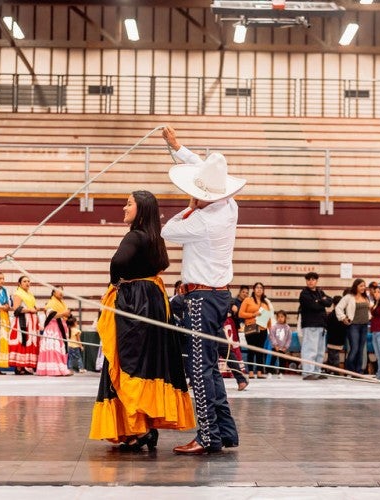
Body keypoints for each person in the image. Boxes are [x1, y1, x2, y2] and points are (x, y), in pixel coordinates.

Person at [161, 125, 245, 455]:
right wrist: (178, 147)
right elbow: (202, 168)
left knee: (199, 368)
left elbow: (168, 231)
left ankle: (208, 436)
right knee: (208, 367)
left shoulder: (203, 221)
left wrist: (191, 207)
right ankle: (224, 431)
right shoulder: (229, 205)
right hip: (217, 294)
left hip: (201, 298)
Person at [89, 190, 195, 451]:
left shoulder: (135, 236)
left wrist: (115, 284)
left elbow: (118, 261)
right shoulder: (154, 238)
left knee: (126, 363)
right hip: (153, 301)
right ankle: (143, 426)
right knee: (148, 363)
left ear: (142, 209)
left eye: (129, 204)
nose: (124, 208)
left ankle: (138, 429)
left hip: (134, 302)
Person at [298, 272, 333, 380]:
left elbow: (329, 302)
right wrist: (322, 302)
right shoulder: (304, 294)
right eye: (308, 279)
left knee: (320, 351)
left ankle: (317, 372)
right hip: (310, 325)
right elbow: (314, 306)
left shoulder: (320, 292)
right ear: (306, 281)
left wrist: (320, 301)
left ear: (316, 281)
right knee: (310, 349)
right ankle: (308, 372)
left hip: (321, 325)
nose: (310, 281)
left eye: (313, 279)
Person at [335, 278, 371, 374]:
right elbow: (338, 308)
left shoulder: (366, 297)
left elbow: (369, 310)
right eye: (361, 286)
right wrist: (343, 318)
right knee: (354, 348)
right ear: (356, 286)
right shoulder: (349, 297)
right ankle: (349, 369)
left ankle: (358, 371)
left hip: (364, 326)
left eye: (364, 286)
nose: (363, 288)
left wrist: (370, 316)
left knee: (361, 349)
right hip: (353, 326)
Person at [238, 282, 273, 379]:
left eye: (261, 288)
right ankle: (250, 372)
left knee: (260, 351)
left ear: (263, 290)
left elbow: (269, 317)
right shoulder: (248, 300)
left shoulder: (265, 302)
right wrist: (253, 314)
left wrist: (270, 329)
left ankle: (259, 372)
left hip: (263, 329)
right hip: (251, 327)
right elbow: (240, 314)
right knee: (251, 350)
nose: (259, 289)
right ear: (253, 289)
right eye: (257, 287)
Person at [36, 286, 72, 377]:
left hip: (62, 328)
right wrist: (63, 314)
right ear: (53, 292)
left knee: (60, 349)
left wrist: (66, 314)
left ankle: (61, 368)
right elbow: (51, 315)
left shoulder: (63, 304)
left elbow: (64, 315)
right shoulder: (50, 303)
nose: (61, 292)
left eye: (62, 291)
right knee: (54, 349)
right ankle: (54, 370)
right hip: (53, 329)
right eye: (59, 290)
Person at [8, 276, 39, 375]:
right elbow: (16, 309)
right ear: (19, 283)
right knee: (22, 341)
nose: (27, 283)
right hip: (22, 321)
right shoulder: (18, 294)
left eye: (28, 281)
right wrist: (30, 310)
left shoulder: (30, 294)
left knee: (29, 342)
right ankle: (19, 367)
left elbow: (31, 306)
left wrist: (35, 309)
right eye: (24, 281)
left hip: (31, 321)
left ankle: (26, 366)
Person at [267, 310, 292, 377]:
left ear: (285, 318)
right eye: (278, 317)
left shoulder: (287, 328)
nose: (280, 318)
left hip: (283, 348)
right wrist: (275, 345)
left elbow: (289, 338)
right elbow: (272, 336)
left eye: (282, 317)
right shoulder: (274, 327)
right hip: (275, 347)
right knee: (273, 359)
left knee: (282, 360)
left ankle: (281, 373)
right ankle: (270, 372)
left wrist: (286, 347)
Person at [326, 296, 347, 372]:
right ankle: (335, 370)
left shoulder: (331, 315)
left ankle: (330, 370)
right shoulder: (343, 316)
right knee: (335, 356)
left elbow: (327, 327)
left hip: (331, 340)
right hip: (339, 340)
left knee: (332, 356)